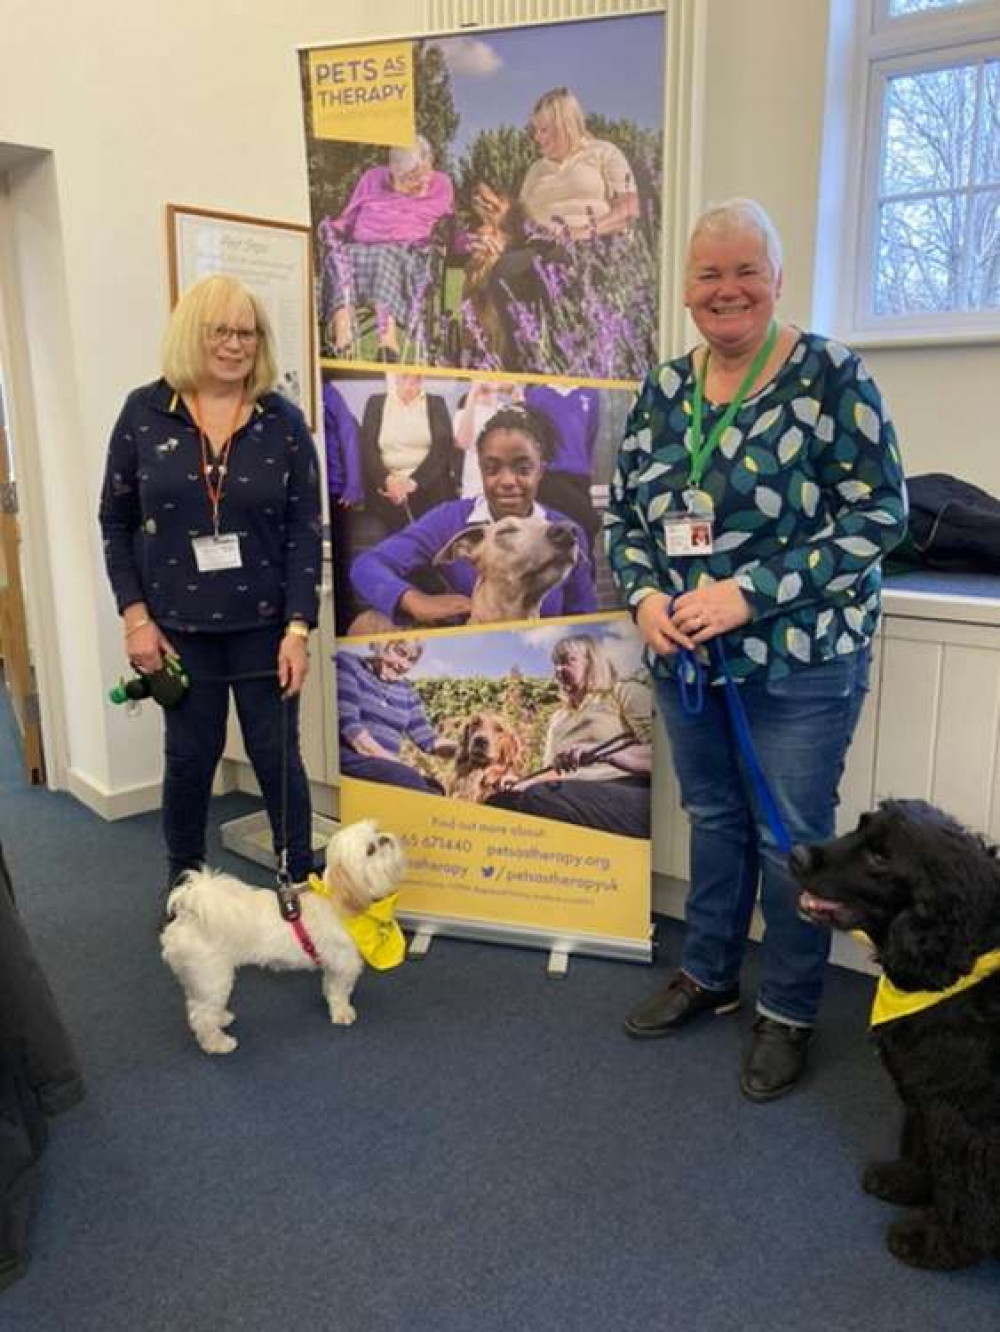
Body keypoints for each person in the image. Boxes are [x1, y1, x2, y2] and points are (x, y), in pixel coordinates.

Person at [604, 198, 908, 1102]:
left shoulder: (830, 376)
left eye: (745, 271)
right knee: (717, 822)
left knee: (793, 844)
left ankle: (790, 1008)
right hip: (689, 661)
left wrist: (749, 595)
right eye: (708, 274)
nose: (726, 289)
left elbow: (880, 515)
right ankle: (709, 975)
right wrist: (648, 593)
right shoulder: (665, 389)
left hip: (802, 658)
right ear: (688, 289)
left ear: (777, 280)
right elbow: (625, 515)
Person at [98, 274, 322, 910]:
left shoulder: (282, 421)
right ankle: (184, 885)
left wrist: (299, 628)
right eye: (220, 330)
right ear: (192, 336)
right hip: (177, 630)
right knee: (191, 761)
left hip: (265, 628)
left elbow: (306, 529)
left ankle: (296, 883)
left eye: (246, 332)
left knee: (279, 761)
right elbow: (114, 520)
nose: (234, 344)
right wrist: (135, 619)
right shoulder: (144, 413)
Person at [349, 404, 596, 628]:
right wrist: (414, 601)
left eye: (523, 469)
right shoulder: (450, 521)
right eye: (492, 468)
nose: (508, 481)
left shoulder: (565, 534)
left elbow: (583, 620)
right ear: (479, 469)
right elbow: (366, 567)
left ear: (540, 470)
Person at [480, 87, 639, 367]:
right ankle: (522, 361)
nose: (537, 138)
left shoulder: (603, 153)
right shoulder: (536, 170)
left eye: (544, 130)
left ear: (565, 125)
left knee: (557, 266)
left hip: (591, 242)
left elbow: (629, 208)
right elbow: (521, 223)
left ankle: (562, 359)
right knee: (504, 271)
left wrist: (582, 231)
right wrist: (500, 242)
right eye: (535, 131)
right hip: (538, 245)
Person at [487, 634, 652, 837]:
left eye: (567, 661)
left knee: (541, 797)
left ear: (591, 662)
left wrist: (606, 754)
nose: (558, 670)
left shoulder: (623, 693)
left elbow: (663, 759)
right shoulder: (558, 717)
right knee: (498, 803)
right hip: (567, 793)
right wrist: (520, 784)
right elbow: (554, 772)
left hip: (627, 790)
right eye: (556, 664)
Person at [320, 136, 454, 361]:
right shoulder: (372, 178)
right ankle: (342, 343)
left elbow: (449, 225)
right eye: (412, 178)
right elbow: (349, 218)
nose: (421, 182)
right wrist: (330, 229)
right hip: (361, 248)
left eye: (424, 173)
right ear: (394, 172)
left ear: (430, 162)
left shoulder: (441, 184)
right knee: (338, 258)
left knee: (384, 256)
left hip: (410, 255)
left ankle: (387, 344)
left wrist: (463, 244)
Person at [336, 639, 455, 792]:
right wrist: (395, 763)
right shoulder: (349, 664)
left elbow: (428, 740)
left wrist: (467, 749)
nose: (403, 665)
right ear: (382, 645)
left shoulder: (407, 691)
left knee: (435, 788)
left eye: (411, 660)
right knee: (408, 777)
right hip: (352, 756)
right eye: (400, 653)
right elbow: (350, 726)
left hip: (386, 766)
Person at [360, 373, 456, 536]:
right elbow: (367, 448)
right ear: (395, 377)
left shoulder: (436, 403)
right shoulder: (376, 402)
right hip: (386, 491)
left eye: (416, 379)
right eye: (404, 377)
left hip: (427, 489)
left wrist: (414, 482)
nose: (410, 384)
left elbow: (442, 449)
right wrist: (387, 480)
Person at [452, 379, 523, 499]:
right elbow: (463, 443)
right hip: (475, 487)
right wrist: (473, 394)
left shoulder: (507, 411)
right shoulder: (463, 413)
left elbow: (525, 432)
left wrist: (512, 389)